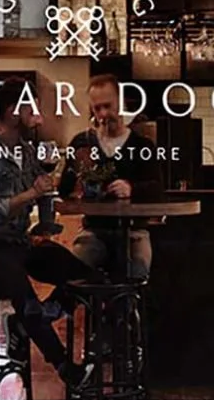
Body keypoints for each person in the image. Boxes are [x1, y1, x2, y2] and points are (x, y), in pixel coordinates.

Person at [0, 75, 100, 388]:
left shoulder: (26, 150)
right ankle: (69, 370)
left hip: (21, 242)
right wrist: (30, 195)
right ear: (13, 110)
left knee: (85, 277)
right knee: (26, 299)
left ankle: (21, 326)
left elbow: (45, 188)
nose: (36, 115)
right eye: (31, 108)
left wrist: (46, 224)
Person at [60, 73, 166, 281]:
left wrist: (131, 188)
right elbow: (65, 190)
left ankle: (129, 312)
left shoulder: (142, 146)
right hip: (94, 231)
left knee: (136, 274)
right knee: (72, 273)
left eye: (108, 106)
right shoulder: (83, 142)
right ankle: (84, 312)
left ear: (121, 102)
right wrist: (77, 177)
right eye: (97, 108)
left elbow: (157, 190)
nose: (103, 114)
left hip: (134, 231)